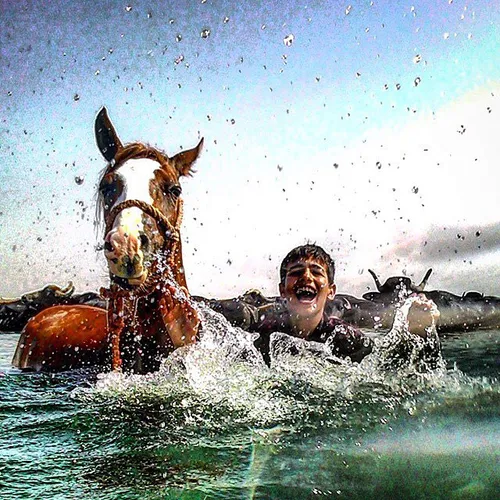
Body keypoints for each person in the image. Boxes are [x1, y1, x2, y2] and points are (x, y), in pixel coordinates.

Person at [210, 244, 440, 366]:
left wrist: (418, 333)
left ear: (331, 292)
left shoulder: (345, 338)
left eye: (316, 272)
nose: (306, 278)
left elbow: (386, 370)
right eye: (296, 272)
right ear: (282, 290)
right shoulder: (262, 334)